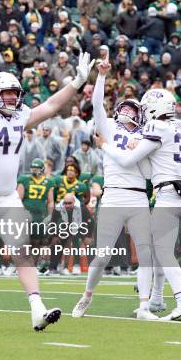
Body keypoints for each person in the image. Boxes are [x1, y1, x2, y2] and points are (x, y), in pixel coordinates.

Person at [0, 45, 94, 331]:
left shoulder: (19, 116)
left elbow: (52, 106)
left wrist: (77, 83)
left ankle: (37, 309)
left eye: (16, 94)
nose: (14, 99)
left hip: (7, 197)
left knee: (22, 253)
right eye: (8, 94)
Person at [96, 88, 181, 321]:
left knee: (160, 250)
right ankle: (157, 298)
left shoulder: (156, 127)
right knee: (158, 247)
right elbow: (153, 166)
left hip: (169, 195)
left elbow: (126, 160)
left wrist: (104, 146)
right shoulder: (180, 126)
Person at [72, 57, 156, 319]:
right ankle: (86, 296)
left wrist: (140, 150)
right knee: (103, 256)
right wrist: (101, 76)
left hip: (138, 196)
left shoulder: (145, 136)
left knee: (145, 252)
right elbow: (97, 104)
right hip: (114, 194)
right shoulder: (108, 126)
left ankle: (144, 305)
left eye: (134, 110)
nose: (129, 113)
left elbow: (150, 170)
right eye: (126, 108)